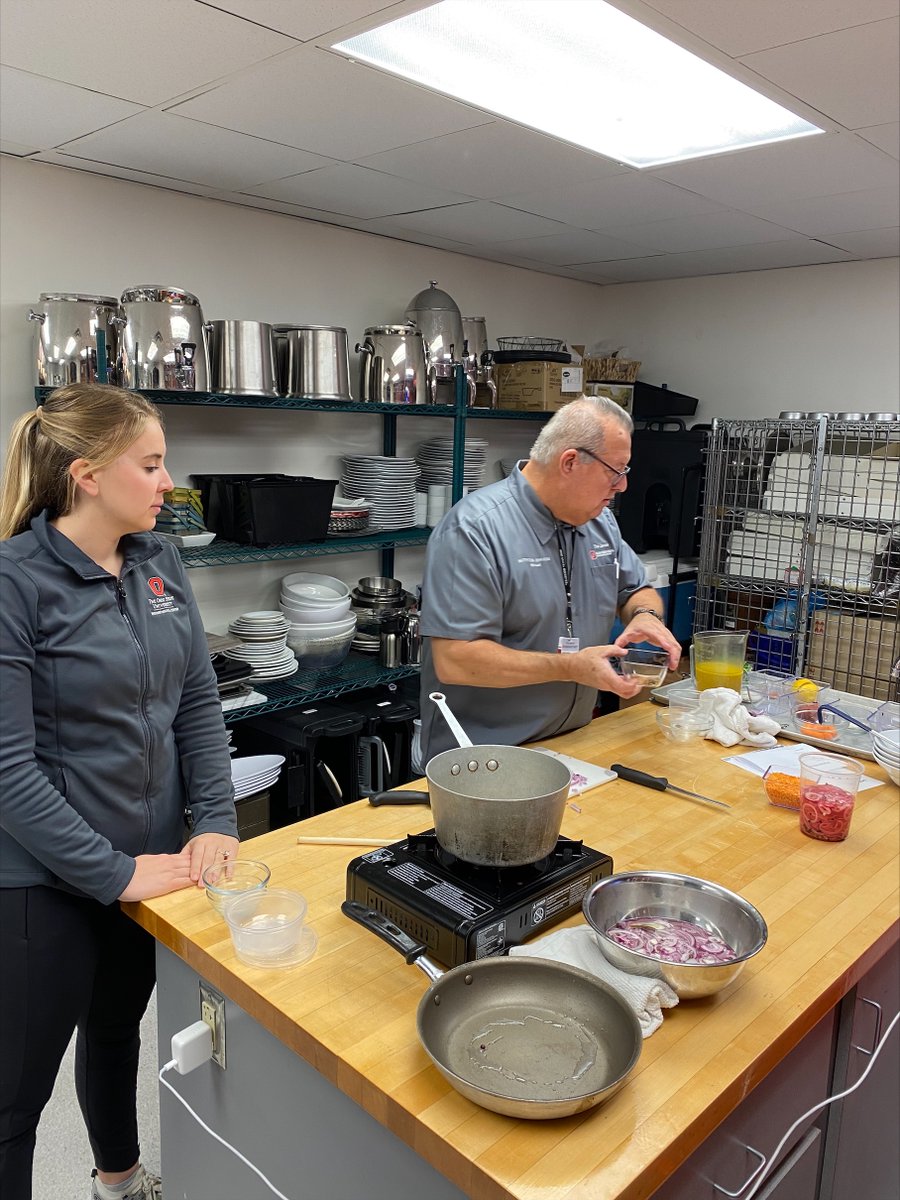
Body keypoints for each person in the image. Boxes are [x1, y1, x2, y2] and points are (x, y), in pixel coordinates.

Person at [0, 383, 239, 1200]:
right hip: (44, 883)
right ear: (88, 474)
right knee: (14, 1099)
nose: (169, 482)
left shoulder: (158, 559)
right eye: (152, 463)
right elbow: (6, 771)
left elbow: (197, 701)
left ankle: (119, 1180)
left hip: (150, 862)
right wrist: (113, 872)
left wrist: (212, 818)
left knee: (115, 1037)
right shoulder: (14, 581)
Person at [418, 395, 681, 762]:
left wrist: (645, 617)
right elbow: (456, 660)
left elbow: (636, 590)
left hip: (574, 745)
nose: (622, 487)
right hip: (485, 760)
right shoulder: (474, 530)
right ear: (570, 462)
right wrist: (569, 667)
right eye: (615, 471)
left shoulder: (599, 522)